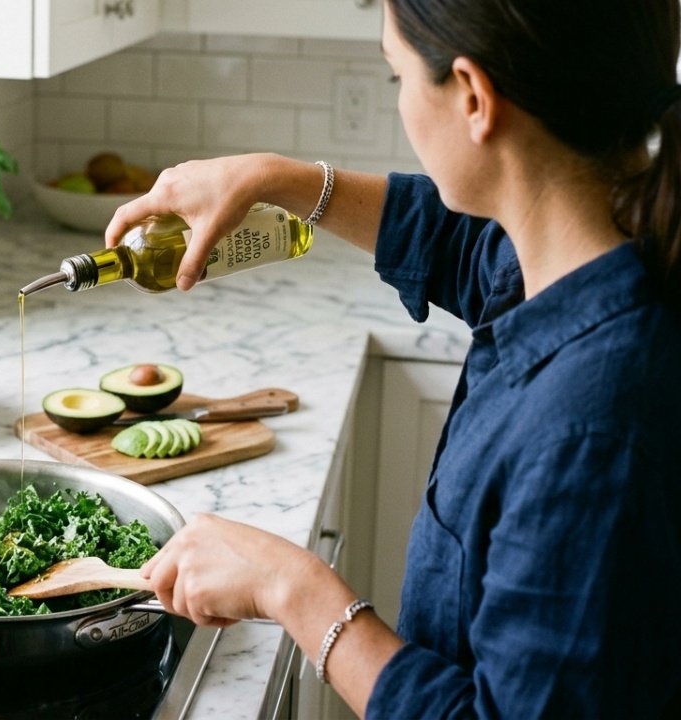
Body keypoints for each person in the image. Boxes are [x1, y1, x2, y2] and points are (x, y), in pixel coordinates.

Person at [109, 0, 681, 716]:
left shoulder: (592, 432)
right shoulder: (598, 250)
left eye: (397, 77)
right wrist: (278, 179)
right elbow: (461, 246)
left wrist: (295, 589)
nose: (401, 99)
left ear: (473, 97)